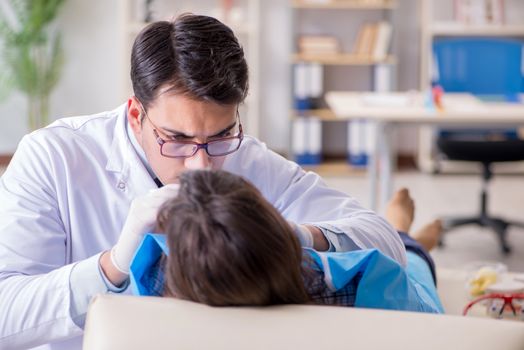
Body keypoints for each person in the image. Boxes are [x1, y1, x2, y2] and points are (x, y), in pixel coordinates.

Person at [0, 14, 404, 349]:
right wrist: (112, 267)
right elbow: (6, 314)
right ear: (136, 115)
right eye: (177, 140)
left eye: (220, 137)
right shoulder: (53, 156)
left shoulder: (250, 157)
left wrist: (290, 233)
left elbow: (384, 243)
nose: (201, 166)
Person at [130, 169, 443, 313]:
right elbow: (428, 315)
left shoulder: (162, 287)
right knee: (411, 261)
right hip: (402, 273)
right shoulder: (349, 282)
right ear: (275, 227)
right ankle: (406, 230)